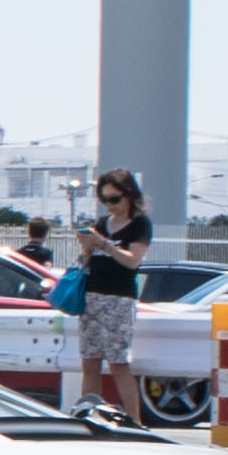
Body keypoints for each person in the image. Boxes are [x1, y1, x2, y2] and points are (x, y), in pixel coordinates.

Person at [75, 173, 152, 420]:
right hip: (93, 296)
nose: (110, 205)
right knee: (90, 361)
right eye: (104, 199)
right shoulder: (101, 222)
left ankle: (135, 421)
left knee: (118, 363)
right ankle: (89, 416)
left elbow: (133, 261)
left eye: (115, 199)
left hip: (119, 299)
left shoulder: (140, 224)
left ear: (129, 195)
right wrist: (87, 248)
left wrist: (105, 244)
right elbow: (89, 261)